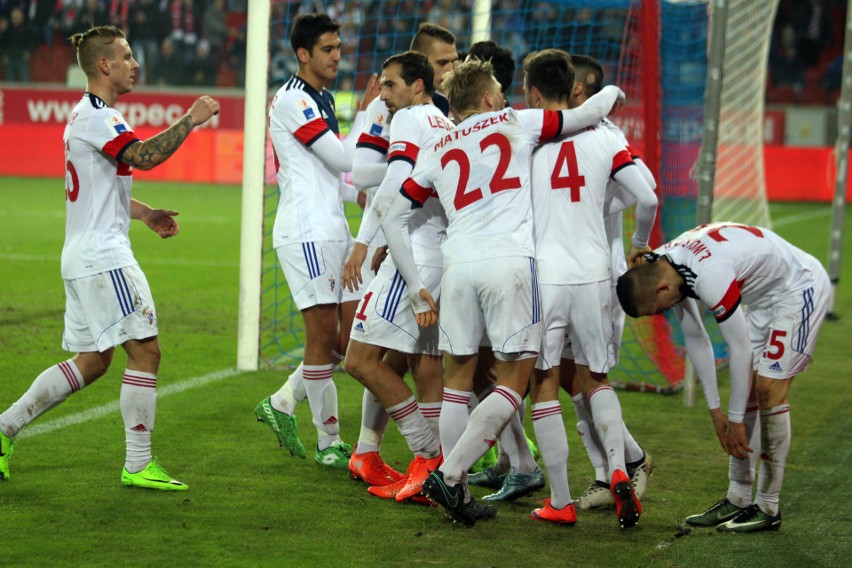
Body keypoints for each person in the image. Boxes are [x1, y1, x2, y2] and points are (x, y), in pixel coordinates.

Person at [379, 58, 624, 525]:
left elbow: (392, 214)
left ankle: (456, 488)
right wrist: (612, 93)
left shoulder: (436, 145)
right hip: (509, 263)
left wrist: (414, 287)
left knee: (458, 383)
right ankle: (450, 475)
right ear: (490, 97)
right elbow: (583, 116)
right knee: (516, 379)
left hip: (458, 266)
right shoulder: (517, 122)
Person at [0, 25, 220, 490]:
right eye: (125, 56)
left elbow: (101, 189)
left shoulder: (91, 116)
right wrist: (191, 118)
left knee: (94, 360)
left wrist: (142, 214)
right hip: (103, 258)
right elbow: (143, 157)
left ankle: (4, 428)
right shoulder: (97, 116)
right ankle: (138, 463)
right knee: (146, 350)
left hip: (85, 253)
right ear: (104, 65)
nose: (134, 64)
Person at [616, 222, 830, 532]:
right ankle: (739, 497)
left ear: (661, 289)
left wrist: (735, 421)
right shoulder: (663, 264)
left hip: (797, 289)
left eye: (655, 310)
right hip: (760, 299)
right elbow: (696, 338)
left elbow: (739, 351)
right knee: (749, 394)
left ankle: (769, 506)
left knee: (768, 389)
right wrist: (716, 409)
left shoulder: (709, 275)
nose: (659, 314)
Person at [523, 49, 657, 528]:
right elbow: (649, 195)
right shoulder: (607, 137)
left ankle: (560, 500)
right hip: (598, 274)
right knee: (594, 377)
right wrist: (639, 243)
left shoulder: (527, 136)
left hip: (548, 276)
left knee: (546, 383)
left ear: (532, 91)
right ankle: (618, 469)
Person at [254, 13, 373, 469]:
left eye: (339, 47)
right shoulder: (293, 101)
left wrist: (354, 192)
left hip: (332, 227)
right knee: (323, 336)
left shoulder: (320, 97)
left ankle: (283, 402)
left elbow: (328, 173)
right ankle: (329, 442)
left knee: (350, 338)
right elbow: (343, 156)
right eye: (327, 48)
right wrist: (368, 112)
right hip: (306, 232)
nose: (337, 56)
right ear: (303, 54)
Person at [343, 25, 457, 491]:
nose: (381, 93)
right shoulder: (443, 122)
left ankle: (428, 455)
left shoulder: (409, 120)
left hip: (414, 256)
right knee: (426, 364)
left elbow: (392, 189)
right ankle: (419, 465)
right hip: (442, 252)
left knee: (360, 360)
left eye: (389, 84)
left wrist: (362, 242)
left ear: (416, 85)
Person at [560, 54, 656, 512]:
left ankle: (622, 465)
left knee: (586, 375)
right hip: (570, 270)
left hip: (597, 272)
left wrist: (635, 239)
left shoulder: (606, 136)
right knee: (567, 375)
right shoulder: (564, 133)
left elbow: (649, 189)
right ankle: (616, 467)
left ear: (578, 91)